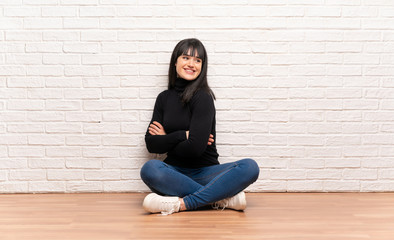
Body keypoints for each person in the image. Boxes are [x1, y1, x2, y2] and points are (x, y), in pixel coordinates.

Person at [140, 38, 260, 215]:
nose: (191, 64)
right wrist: (184, 135)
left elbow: (195, 149)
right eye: (186, 58)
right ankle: (220, 198)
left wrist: (167, 137)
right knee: (150, 169)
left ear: (202, 67)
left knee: (250, 167)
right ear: (175, 62)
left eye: (198, 60)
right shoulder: (163, 98)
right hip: (174, 173)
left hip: (206, 172)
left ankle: (182, 204)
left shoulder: (203, 97)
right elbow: (151, 144)